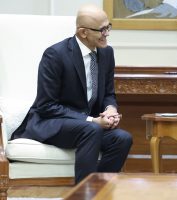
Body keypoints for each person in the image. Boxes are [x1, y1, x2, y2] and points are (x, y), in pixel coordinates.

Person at [11, 4, 132, 184]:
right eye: (102, 30)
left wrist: (110, 109)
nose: (107, 33)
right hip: (52, 122)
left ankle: (99, 190)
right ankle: (83, 194)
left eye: (108, 27)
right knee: (91, 129)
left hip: (87, 126)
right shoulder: (55, 55)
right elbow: (47, 106)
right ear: (83, 33)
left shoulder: (107, 52)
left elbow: (108, 92)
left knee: (122, 138)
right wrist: (92, 120)